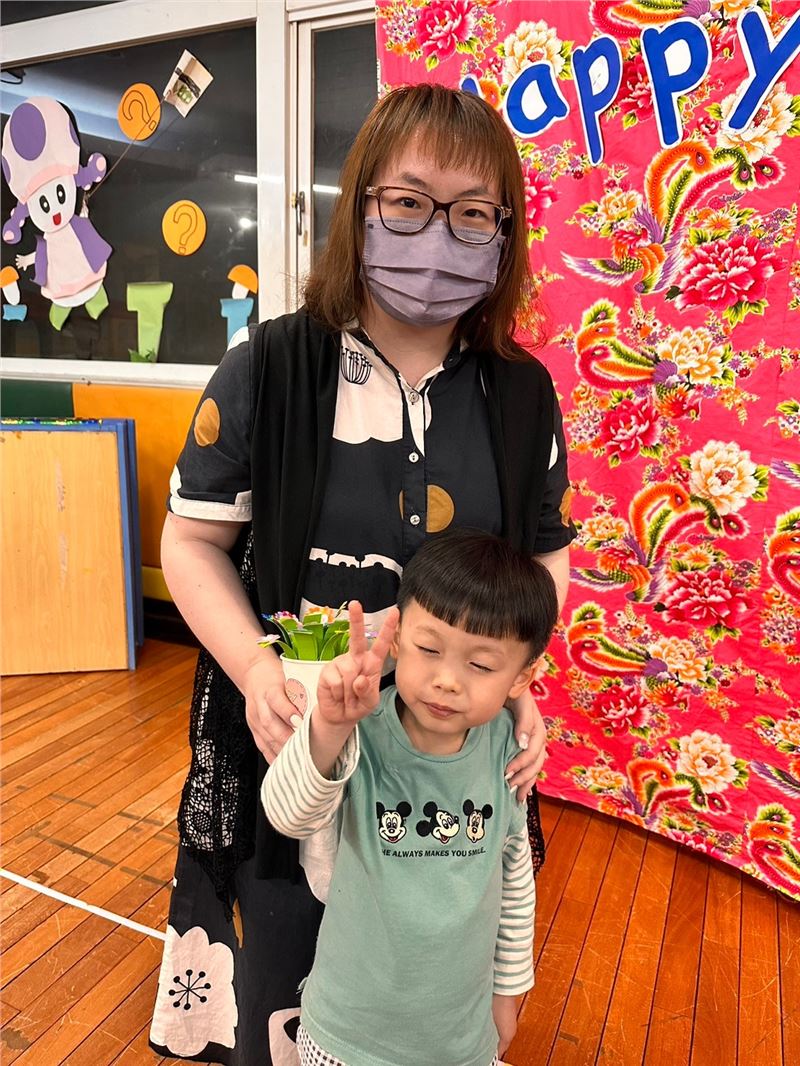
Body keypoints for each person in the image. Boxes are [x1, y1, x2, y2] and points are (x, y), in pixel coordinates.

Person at [150, 83, 576, 1066]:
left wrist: (510, 676)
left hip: (449, 768)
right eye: (410, 202)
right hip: (298, 745)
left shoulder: (521, 392)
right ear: (362, 206)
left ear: (504, 232)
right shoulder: (269, 367)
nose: (440, 236)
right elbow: (190, 542)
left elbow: (539, 558)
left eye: (473, 213)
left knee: (426, 987)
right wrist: (256, 670)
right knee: (287, 997)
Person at [263, 529, 559, 1066]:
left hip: (459, 1041)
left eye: (481, 665)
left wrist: (508, 993)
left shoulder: (508, 751)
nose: (447, 681)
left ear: (522, 678)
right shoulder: (361, 730)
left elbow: (515, 881)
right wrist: (328, 727)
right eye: (429, 649)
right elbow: (288, 816)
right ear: (396, 638)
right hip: (344, 1037)